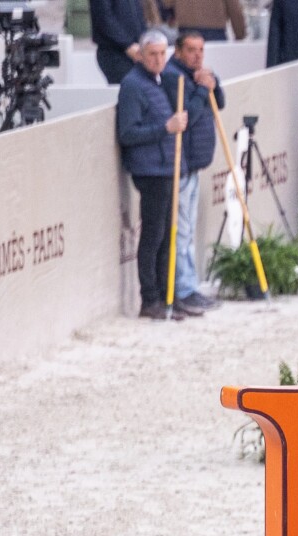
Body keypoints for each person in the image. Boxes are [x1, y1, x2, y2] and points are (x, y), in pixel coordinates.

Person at [116, 29, 194, 320]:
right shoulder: (133, 85)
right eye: (153, 54)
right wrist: (165, 128)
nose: (159, 59)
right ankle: (150, 299)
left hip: (165, 167)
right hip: (151, 171)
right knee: (153, 235)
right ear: (141, 55)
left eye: (163, 54)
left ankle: (165, 296)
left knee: (166, 235)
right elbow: (127, 133)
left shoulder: (159, 81)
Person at [169, 29, 224, 312]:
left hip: (196, 163)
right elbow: (186, 116)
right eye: (191, 50)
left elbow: (220, 104)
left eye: (201, 50)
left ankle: (190, 285)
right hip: (183, 163)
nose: (197, 55)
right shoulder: (172, 76)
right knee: (183, 231)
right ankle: (184, 288)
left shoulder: (198, 74)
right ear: (178, 51)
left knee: (188, 231)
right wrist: (202, 88)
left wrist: (213, 83)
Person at [90, 0, 151, 84]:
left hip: (137, 49)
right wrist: (127, 45)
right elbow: (103, 18)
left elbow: (138, 16)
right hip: (114, 51)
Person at [174, 0, 246, 40]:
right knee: (217, 63)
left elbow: (167, 4)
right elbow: (235, 10)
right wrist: (240, 34)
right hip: (215, 31)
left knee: (185, 65)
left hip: (186, 29)